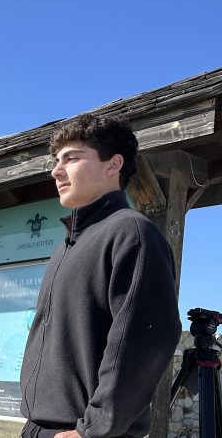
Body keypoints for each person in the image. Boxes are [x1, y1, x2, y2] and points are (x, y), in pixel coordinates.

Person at [19, 114, 182, 438]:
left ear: (113, 164)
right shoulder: (65, 247)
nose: (56, 170)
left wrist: (92, 430)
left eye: (71, 158)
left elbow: (144, 340)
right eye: (56, 160)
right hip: (38, 428)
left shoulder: (132, 233)